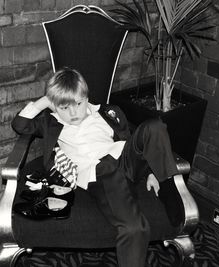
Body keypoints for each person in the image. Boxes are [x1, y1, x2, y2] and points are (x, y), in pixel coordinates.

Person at [11, 67, 182, 267]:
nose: (73, 112)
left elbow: (131, 140)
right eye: (64, 107)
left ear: (86, 97)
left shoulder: (108, 112)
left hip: (126, 159)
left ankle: (166, 184)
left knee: (155, 126)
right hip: (102, 172)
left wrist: (151, 170)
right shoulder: (51, 122)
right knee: (134, 228)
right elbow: (20, 124)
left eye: (78, 103)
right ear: (55, 106)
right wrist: (45, 101)